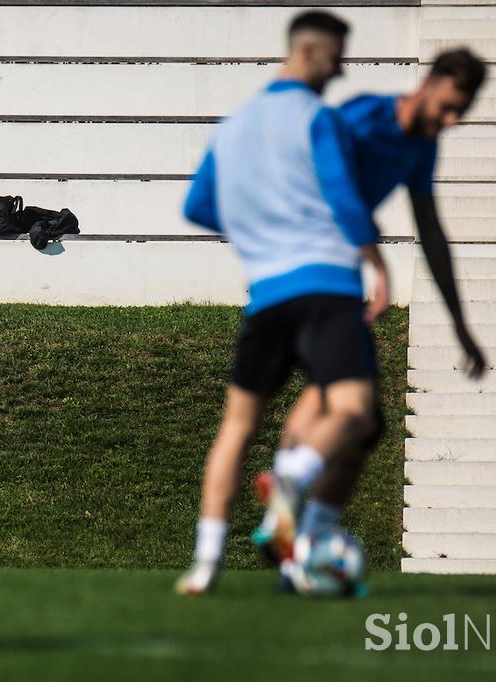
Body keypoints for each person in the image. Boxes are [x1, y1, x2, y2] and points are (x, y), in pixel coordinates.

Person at [175, 10, 390, 594]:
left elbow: (197, 206)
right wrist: (377, 263)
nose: (341, 68)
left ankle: (205, 564)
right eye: (339, 56)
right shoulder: (318, 117)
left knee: (237, 427)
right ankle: (294, 479)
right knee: (355, 413)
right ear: (314, 52)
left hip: (265, 293)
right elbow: (345, 198)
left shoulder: (234, 125)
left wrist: (257, 231)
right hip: (325, 285)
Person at [280, 49, 489, 457]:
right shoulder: (366, 115)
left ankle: (284, 509)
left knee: (346, 406)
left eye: (459, 114)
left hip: (335, 266)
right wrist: (377, 265)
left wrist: (459, 324)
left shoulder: (421, 148)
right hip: (304, 257)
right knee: (354, 407)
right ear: (427, 84)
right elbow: (320, 171)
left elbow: (431, 232)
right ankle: (286, 494)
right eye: (447, 108)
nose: (450, 122)